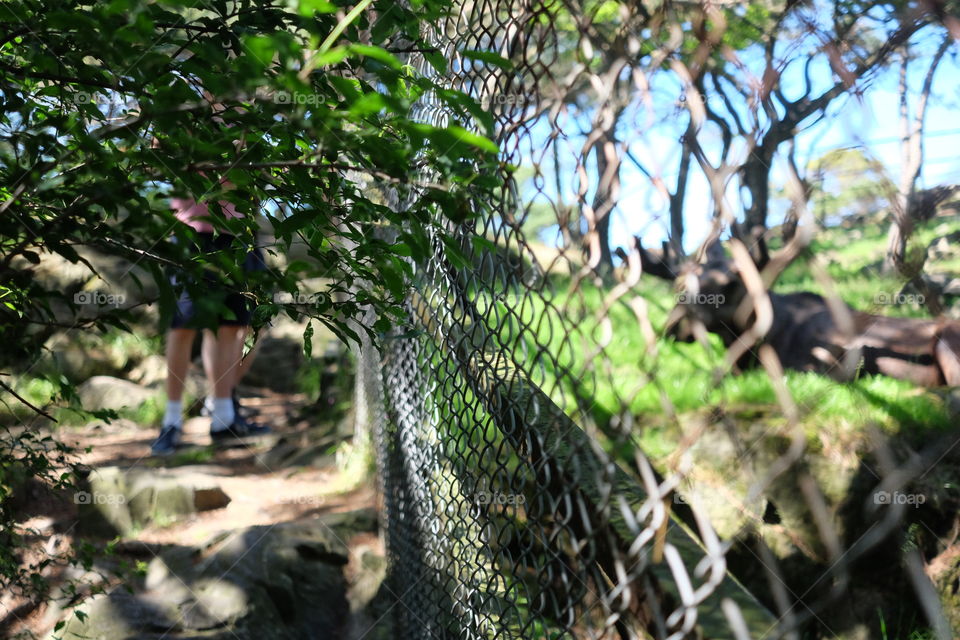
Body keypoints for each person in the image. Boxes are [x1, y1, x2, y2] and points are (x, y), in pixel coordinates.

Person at [151, 104, 270, 456]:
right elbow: (158, 157)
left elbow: (258, 174)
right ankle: (171, 422)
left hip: (239, 232)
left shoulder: (249, 116)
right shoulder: (182, 113)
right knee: (183, 326)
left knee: (235, 325)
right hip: (193, 233)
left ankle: (224, 417)